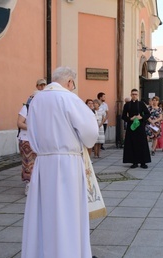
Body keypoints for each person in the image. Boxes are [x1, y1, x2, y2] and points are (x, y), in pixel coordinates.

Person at [22, 66, 99, 258]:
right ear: (69, 82)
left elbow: (30, 130)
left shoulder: (36, 99)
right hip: (67, 163)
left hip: (43, 162)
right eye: (73, 84)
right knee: (67, 211)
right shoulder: (69, 98)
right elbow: (90, 133)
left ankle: (42, 252)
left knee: (44, 211)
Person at [17, 90, 41, 196]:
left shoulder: (42, 110)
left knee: (38, 162)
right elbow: (19, 123)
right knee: (28, 162)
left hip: (39, 140)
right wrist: (32, 128)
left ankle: (36, 184)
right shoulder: (26, 108)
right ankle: (28, 184)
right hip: (26, 139)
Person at [122, 89, 151, 169]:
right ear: (131, 95)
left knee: (142, 144)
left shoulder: (141, 104)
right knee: (132, 144)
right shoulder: (127, 105)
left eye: (136, 94)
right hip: (131, 127)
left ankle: (143, 162)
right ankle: (134, 162)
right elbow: (123, 116)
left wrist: (141, 117)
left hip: (140, 126)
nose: (134, 95)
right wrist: (130, 119)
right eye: (133, 94)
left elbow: (148, 114)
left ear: (138, 95)